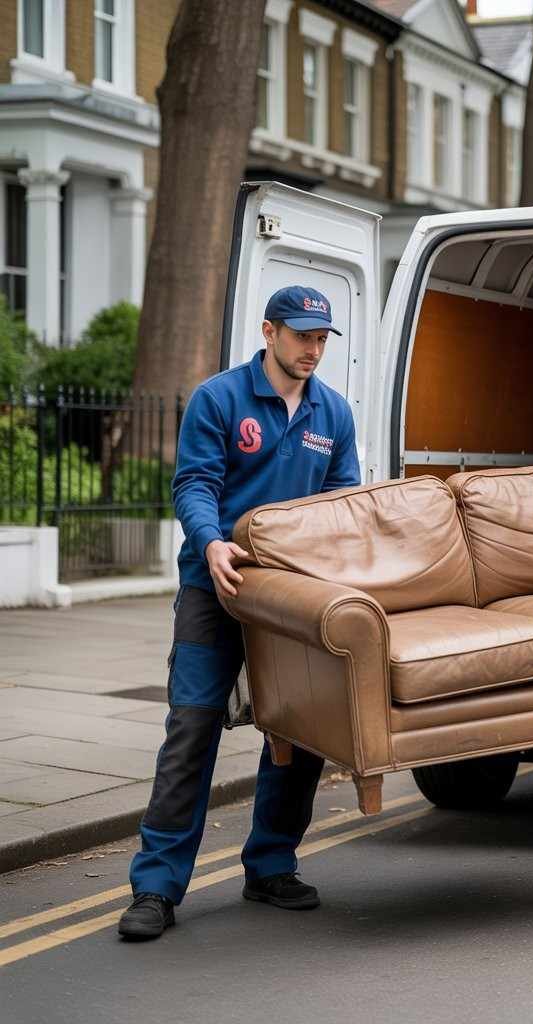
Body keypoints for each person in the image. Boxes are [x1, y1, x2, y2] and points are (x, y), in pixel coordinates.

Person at [119, 285, 361, 941]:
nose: (313, 348)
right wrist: (212, 541)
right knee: (192, 730)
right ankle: (156, 887)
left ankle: (271, 865)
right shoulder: (218, 399)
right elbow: (195, 484)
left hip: (290, 601)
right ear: (269, 332)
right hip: (215, 588)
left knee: (299, 732)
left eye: (321, 338)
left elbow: (342, 505)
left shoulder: (332, 415)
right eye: (302, 335)